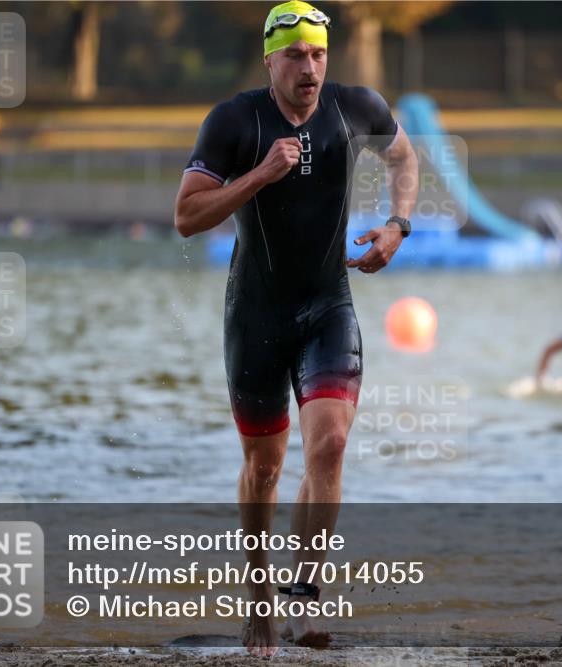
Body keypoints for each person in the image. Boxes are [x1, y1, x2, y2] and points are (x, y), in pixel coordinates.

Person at [173, 1, 417, 656]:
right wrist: (259, 175)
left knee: (330, 445)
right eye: (296, 57)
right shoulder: (235, 120)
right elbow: (187, 217)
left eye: (318, 55)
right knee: (264, 467)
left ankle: (305, 590)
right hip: (254, 313)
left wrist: (398, 225)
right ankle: (259, 601)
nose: (309, 69)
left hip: (328, 304)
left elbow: (405, 159)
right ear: (270, 61)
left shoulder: (355, 107)